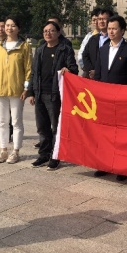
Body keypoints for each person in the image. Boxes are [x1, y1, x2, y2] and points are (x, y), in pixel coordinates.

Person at [27, 21, 78, 170]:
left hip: (55, 94)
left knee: (56, 127)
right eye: (45, 31)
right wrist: (31, 92)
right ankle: (44, 154)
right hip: (40, 93)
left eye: (51, 31)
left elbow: (74, 69)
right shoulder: (40, 49)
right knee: (42, 127)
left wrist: (68, 70)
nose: (48, 33)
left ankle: (55, 156)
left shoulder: (65, 49)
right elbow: (34, 72)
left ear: (58, 32)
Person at [93, 15, 127, 180]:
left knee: (121, 136)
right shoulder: (103, 49)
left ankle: (122, 168)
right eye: (109, 28)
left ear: (122, 31)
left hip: (122, 100)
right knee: (104, 134)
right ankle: (104, 164)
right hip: (104, 100)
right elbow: (98, 76)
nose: (111, 31)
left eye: (114, 28)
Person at [0, 16, 32, 164]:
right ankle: (3, 150)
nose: (9, 28)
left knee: (16, 121)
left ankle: (16, 151)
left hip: (17, 89)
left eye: (13, 25)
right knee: (2, 121)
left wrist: (26, 88)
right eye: (7, 25)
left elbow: (28, 69)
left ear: (18, 28)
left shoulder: (24, 46)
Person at [82, 9, 113, 79]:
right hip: (92, 78)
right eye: (99, 19)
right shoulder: (93, 39)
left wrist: (98, 72)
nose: (101, 21)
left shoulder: (114, 40)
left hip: (108, 78)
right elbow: (85, 55)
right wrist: (91, 70)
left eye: (104, 19)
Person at [78, 8, 100, 77]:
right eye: (93, 20)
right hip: (88, 71)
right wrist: (85, 67)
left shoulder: (107, 36)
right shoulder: (89, 36)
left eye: (97, 19)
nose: (95, 22)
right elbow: (82, 53)